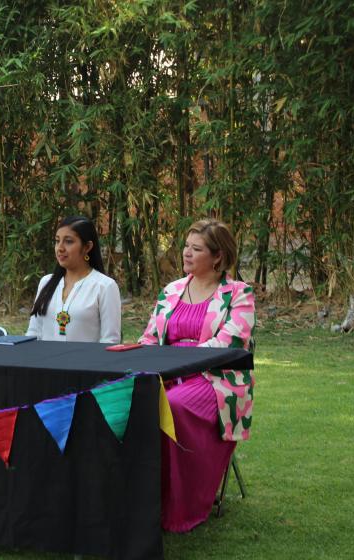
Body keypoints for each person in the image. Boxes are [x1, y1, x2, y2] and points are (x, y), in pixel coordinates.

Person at [138, 218, 256, 533]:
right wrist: (139, 354)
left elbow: (229, 342)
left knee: (172, 407)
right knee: (129, 397)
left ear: (217, 256)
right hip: (165, 373)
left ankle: (177, 508)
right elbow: (151, 337)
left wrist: (179, 364)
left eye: (196, 249)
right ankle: (132, 500)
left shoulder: (238, 293)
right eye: (186, 247)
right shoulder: (171, 290)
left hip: (215, 379)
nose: (186, 254)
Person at [26, 216, 121, 343]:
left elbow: (110, 341)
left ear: (87, 247)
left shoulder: (104, 286)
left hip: (86, 362)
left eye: (68, 241)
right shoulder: (46, 282)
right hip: (43, 361)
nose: (60, 248)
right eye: (57, 241)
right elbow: (33, 332)